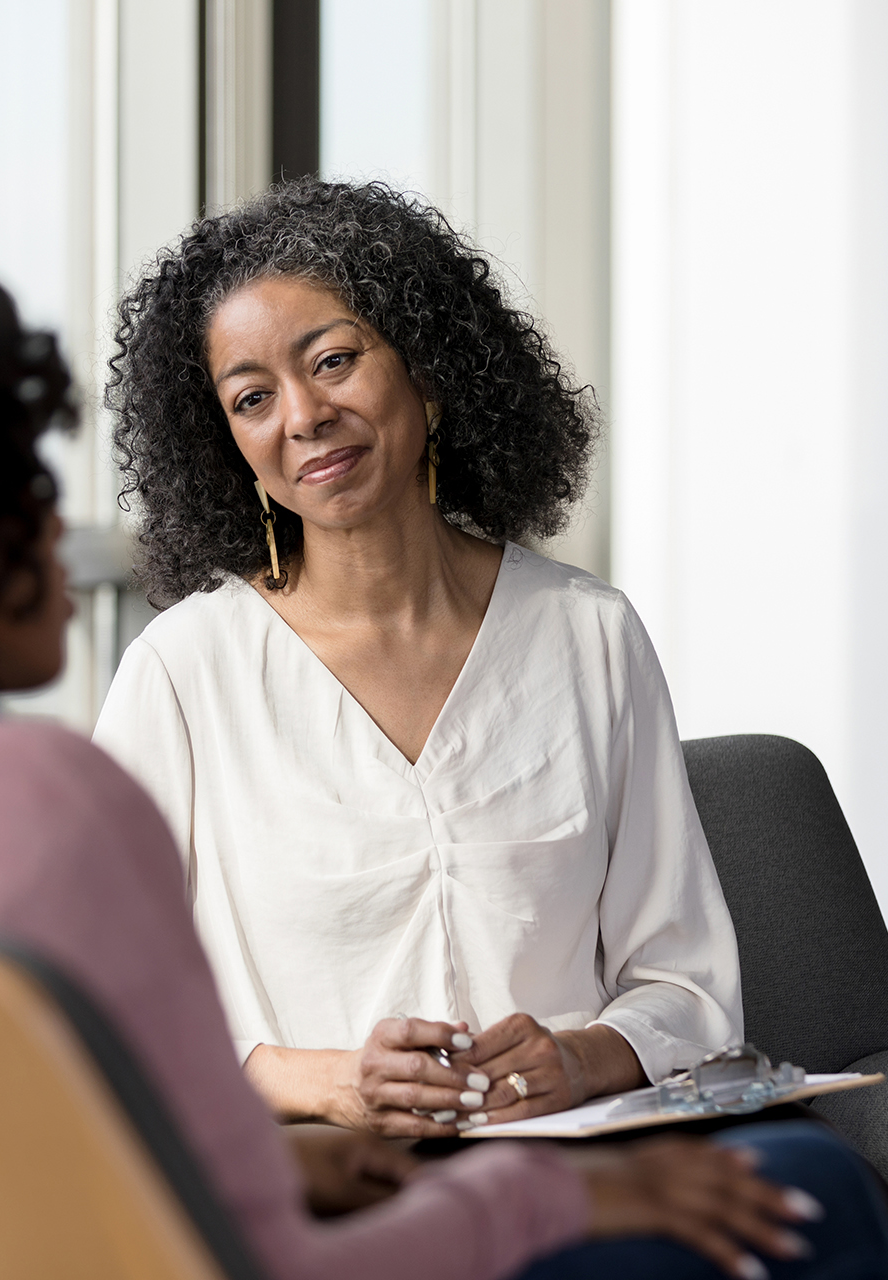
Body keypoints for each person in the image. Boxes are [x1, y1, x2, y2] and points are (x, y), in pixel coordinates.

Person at [0, 244, 888, 1280]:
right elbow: (240, 1246)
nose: (70, 541)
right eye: (23, 487)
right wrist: (559, 1201)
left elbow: (77, 1132)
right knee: (804, 1193)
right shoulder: (47, 798)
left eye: (332, 362)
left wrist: (330, 1147)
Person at [95, 180, 742, 1137]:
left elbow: (685, 984)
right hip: (328, 1186)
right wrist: (327, 1084)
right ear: (226, 442)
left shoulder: (589, 637)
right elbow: (104, 1009)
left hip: (579, 1163)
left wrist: (580, 1057)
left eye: (336, 360)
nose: (305, 415)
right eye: (252, 398)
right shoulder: (182, 676)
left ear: (430, 374)